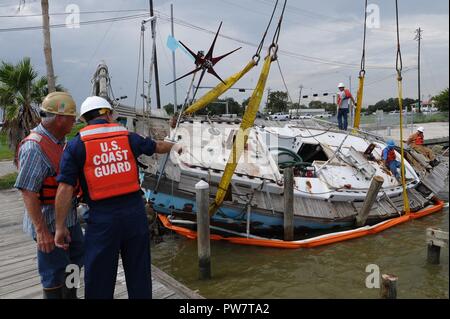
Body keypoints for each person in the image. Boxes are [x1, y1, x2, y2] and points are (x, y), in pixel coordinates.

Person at [54, 96, 181, 299]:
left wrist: (60, 227)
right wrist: (174, 146)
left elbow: (65, 188)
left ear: (85, 119)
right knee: (139, 273)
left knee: (99, 278)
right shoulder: (126, 136)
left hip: (102, 220)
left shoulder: (77, 145)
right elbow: (156, 146)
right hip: (135, 215)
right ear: (107, 114)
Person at [14, 92, 84, 299]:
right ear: (60, 119)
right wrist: (42, 232)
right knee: (53, 273)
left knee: (74, 263)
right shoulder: (35, 147)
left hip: (69, 220)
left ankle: (71, 296)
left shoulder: (60, 142)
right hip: (49, 224)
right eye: (72, 117)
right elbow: (28, 191)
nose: (74, 121)